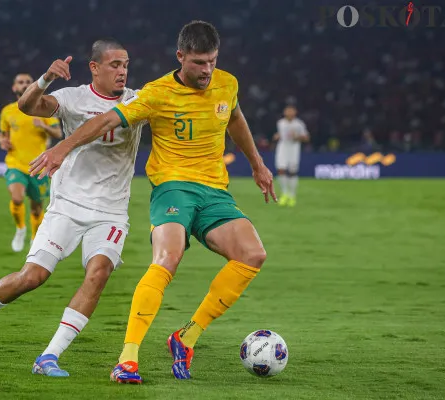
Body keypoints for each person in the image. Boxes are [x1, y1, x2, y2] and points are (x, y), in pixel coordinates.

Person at [29, 20, 277, 384]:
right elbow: (104, 122)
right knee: (168, 258)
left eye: (211, 61)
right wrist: (62, 148)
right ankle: (128, 359)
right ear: (180, 57)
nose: (207, 70)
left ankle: (185, 337)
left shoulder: (228, 83)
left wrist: (258, 165)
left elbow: (235, 116)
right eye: (198, 63)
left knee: (253, 254)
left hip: (214, 191)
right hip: (173, 187)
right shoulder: (155, 93)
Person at [0, 39, 145, 378]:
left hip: (111, 210)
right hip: (67, 204)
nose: (122, 71)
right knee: (32, 277)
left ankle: (49, 356)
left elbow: (138, 117)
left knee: (99, 273)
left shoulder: (136, 100)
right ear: (94, 67)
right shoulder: (73, 98)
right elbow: (27, 106)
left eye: (125, 64)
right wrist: (46, 78)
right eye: (114, 65)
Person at [0, 74, 62, 252]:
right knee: (17, 198)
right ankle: (20, 229)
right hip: (15, 163)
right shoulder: (7, 111)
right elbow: (2, 134)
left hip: (38, 165)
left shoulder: (43, 108)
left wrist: (44, 126)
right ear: (14, 87)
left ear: (33, 85)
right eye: (20, 82)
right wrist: (2, 141)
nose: (24, 84)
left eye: (28, 82)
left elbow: (58, 133)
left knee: (36, 208)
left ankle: (35, 237)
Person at [273, 105, 309, 207]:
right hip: (282, 147)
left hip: (294, 148)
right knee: (281, 169)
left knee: (292, 172)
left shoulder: (299, 124)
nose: (289, 113)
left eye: (291, 111)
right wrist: (278, 135)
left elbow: (306, 137)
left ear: (295, 112)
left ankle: (292, 195)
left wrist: (297, 137)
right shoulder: (280, 123)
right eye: (287, 111)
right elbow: (281, 134)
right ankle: (285, 193)